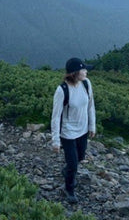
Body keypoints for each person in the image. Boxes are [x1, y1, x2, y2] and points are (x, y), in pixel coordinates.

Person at [51, 57, 96, 203]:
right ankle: (69, 188)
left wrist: (92, 126)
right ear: (75, 73)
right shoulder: (62, 90)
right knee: (73, 163)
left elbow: (91, 106)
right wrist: (55, 140)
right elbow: (56, 117)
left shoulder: (86, 84)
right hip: (68, 132)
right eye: (83, 70)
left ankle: (67, 171)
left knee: (80, 157)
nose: (86, 72)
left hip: (83, 129)